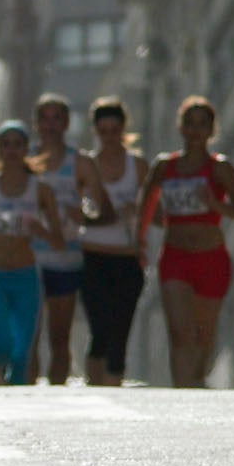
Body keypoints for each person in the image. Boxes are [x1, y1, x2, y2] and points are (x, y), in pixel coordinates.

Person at [137, 96, 234, 388]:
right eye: (190, 123)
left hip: (210, 258)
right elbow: (146, 205)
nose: (195, 130)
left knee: (204, 332)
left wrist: (215, 204)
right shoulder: (165, 166)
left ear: (212, 130)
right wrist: (146, 234)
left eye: (203, 124)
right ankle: (182, 391)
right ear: (181, 128)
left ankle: (197, 381)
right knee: (179, 332)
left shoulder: (219, 168)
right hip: (175, 257)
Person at [0, 122, 66, 385]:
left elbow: (58, 241)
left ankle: (13, 404)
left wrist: (41, 231)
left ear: (26, 148)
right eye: (5, 144)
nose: (11, 150)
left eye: (17, 144)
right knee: (2, 344)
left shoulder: (40, 190)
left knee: (22, 353)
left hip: (25, 276)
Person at [28, 94, 116, 386]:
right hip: (26, 259)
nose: (51, 125)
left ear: (66, 123)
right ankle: (24, 396)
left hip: (65, 259)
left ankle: (55, 398)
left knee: (58, 336)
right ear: (36, 123)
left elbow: (104, 210)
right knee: (28, 336)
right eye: (45, 118)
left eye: (57, 118)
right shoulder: (24, 160)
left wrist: (84, 216)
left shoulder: (79, 162)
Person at [80, 97, 149, 387]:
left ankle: (113, 389)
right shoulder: (86, 165)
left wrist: (139, 211)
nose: (109, 136)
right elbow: (69, 208)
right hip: (91, 256)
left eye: (114, 130)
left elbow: (156, 212)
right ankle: (95, 387)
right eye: (103, 130)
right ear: (95, 131)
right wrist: (89, 213)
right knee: (101, 328)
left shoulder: (138, 166)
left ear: (123, 130)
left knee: (120, 331)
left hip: (127, 256)